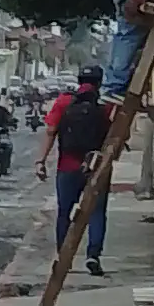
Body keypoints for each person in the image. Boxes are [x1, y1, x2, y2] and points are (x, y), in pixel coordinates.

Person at [49, 61, 116, 274]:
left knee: (64, 212)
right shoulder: (107, 105)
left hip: (67, 166)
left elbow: (51, 131)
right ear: (99, 82)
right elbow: (117, 137)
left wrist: (40, 161)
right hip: (96, 167)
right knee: (97, 212)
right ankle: (93, 255)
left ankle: (63, 256)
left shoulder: (64, 102)